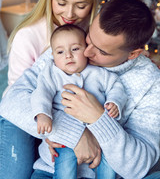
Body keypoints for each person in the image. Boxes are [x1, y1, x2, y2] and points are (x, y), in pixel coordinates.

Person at [0, 0, 160, 179]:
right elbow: (11, 100)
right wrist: (75, 134)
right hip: (52, 169)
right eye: (90, 37)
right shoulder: (69, 47)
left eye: (101, 51)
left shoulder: (151, 82)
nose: (86, 51)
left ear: (133, 54)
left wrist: (98, 118)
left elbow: (138, 165)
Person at [0, 0, 100, 179]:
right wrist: (65, 133)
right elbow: (17, 99)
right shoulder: (28, 35)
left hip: (65, 111)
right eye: (62, 3)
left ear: (92, 3)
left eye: (81, 6)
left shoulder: (95, 32)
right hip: (25, 113)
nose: (70, 14)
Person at [31, 24, 127, 179]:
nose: (68, 55)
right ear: (53, 56)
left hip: (100, 132)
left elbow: (116, 87)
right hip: (66, 135)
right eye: (60, 52)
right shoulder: (52, 73)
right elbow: (41, 93)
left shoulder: (99, 73)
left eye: (75, 49)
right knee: (65, 163)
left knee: (110, 163)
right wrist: (42, 114)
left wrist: (115, 102)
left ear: (86, 50)